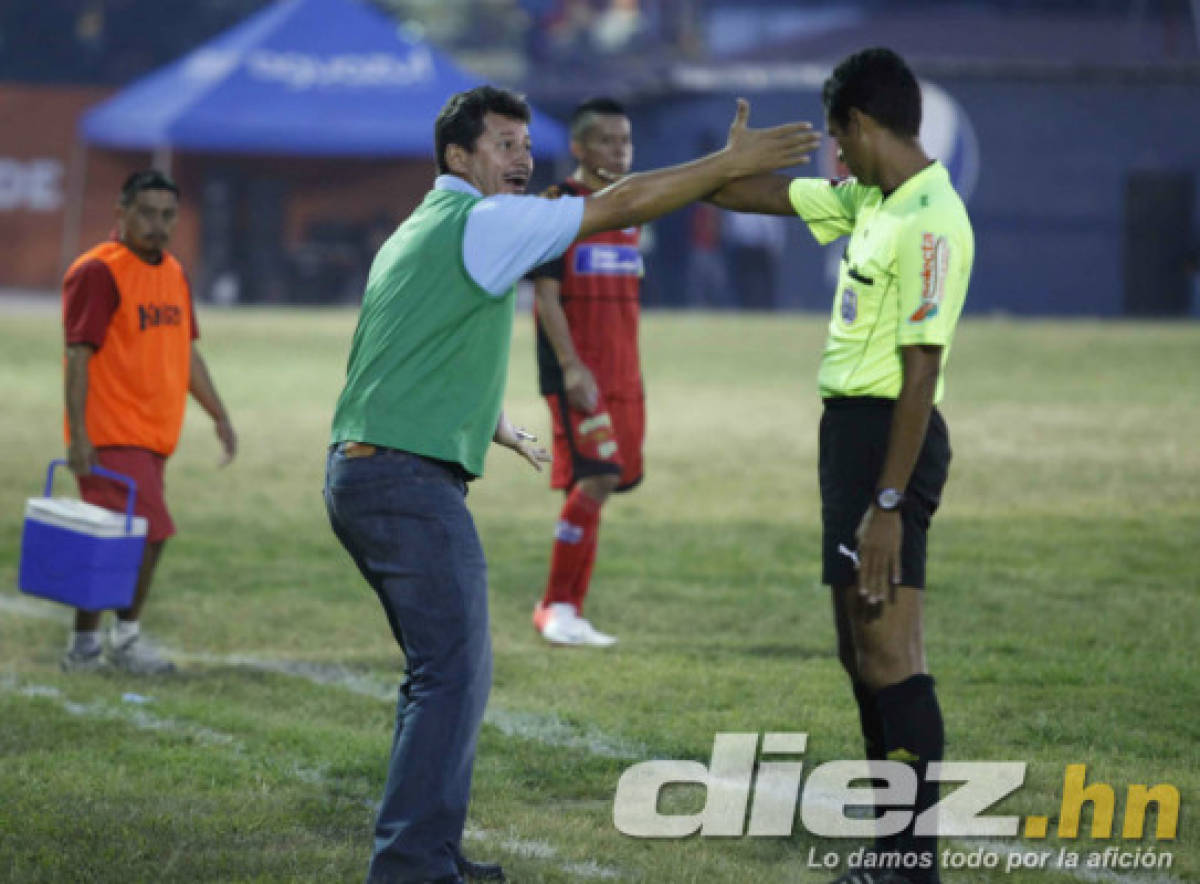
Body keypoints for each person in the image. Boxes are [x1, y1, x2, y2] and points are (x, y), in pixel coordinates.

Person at [323, 85, 818, 884]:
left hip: (369, 470)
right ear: (458, 156)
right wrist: (727, 165)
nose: (523, 158)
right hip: (403, 483)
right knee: (451, 676)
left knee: (444, 675)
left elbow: (400, 350)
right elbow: (621, 201)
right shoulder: (485, 222)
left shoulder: (420, 228)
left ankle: (430, 853)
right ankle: (412, 865)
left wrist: (491, 424)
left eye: (526, 144)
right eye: (504, 144)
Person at [708, 48, 974, 883]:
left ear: (864, 124)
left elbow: (922, 372)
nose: (834, 156)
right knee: (857, 647)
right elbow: (735, 192)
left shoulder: (933, 216)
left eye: (836, 138)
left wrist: (888, 503)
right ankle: (891, 841)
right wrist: (729, 160)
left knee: (891, 650)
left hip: (891, 441)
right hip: (848, 437)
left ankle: (911, 860)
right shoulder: (870, 196)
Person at [61, 169, 237, 675]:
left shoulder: (173, 273)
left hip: (154, 436)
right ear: (121, 212)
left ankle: (86, 647)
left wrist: (218, 414)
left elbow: (186, 351)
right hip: (112, 435)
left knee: (110, 539)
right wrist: (80, 436)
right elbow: (77, 356)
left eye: (167, 215)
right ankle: (124, 641)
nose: (158, 225)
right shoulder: (98, 271)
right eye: (146, 213)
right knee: (150, 534)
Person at [529, 97, 642, 648]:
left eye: (625, 141)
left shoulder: (629, 211)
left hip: (624, 376)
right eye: (606, 141)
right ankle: (557, 606)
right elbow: (545, 297)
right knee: (595, 479)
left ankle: (569, 608)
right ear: (579, 147)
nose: (619, 151)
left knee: (602, 484)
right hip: (580, 374)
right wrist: (572, 368)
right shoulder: (559, 206)